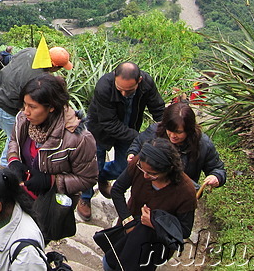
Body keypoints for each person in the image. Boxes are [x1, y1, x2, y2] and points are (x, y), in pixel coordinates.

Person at [6, 74, 98, 242]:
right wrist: (14, 161)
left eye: (32, 106)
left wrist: (52, 181)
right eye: (24, 104)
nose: (26, 111)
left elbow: (88, 177)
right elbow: (14, 141)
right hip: (20, 194)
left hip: (47, 205)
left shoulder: (78, 138)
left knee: (32, 243)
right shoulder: (24, 119)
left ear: (51, 107)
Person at [78, 62, 165, 221]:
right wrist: (139, 137)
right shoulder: (104, 86)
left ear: (139, 80)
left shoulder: (147, 84)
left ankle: (102, 176)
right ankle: (85, 196)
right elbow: (109, 123)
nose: (124, 94)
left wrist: (167, 128)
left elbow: (158, 109)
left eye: (129, 90)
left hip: (129, 128)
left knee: (124, 167)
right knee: (92, 166)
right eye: (120, 90)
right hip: (100, 130)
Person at [0, 43, 74, 167]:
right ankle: (6, 164)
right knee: (14, 138)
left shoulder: (30, 51)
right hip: (7, 106)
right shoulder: (40, 79)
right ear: (54, 66)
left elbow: (11, 61)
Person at [106, 139, 197, 271]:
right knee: (109, 264)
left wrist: (154, 224)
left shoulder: (186, 192)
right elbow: (117, 190)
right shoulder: (140, 163)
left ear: (169, 169)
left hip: (153, 246)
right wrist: (127, 221)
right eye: (142, 170)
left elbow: (184, 230)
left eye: (152, 174)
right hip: (126, 230)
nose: (145, 176)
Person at [127, 101, 225, 189]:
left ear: (189, 130)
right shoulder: (155, 131)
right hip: (150, 188)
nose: (173, 136)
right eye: (169, 130)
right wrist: (132, 153)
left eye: (178, 132)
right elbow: (138, 143)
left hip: (181, 194)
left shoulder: (202, 144)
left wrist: (216, 177)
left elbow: (217, 168)